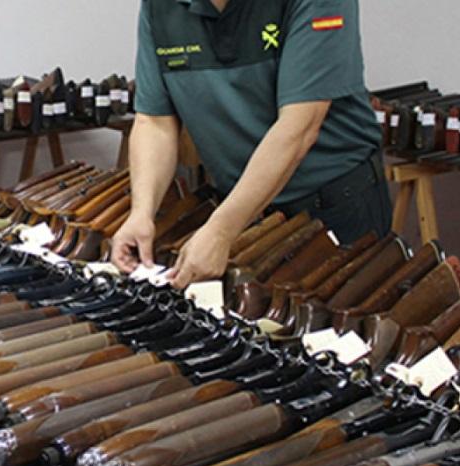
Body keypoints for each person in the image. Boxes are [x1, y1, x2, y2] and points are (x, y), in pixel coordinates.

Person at [111, 0, 389, 289]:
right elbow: (154, 122)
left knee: (334, 329)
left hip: (332, 207)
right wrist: (142, 213)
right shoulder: (160, 7)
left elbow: (299, 128)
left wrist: (220, 231)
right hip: (242, 211)